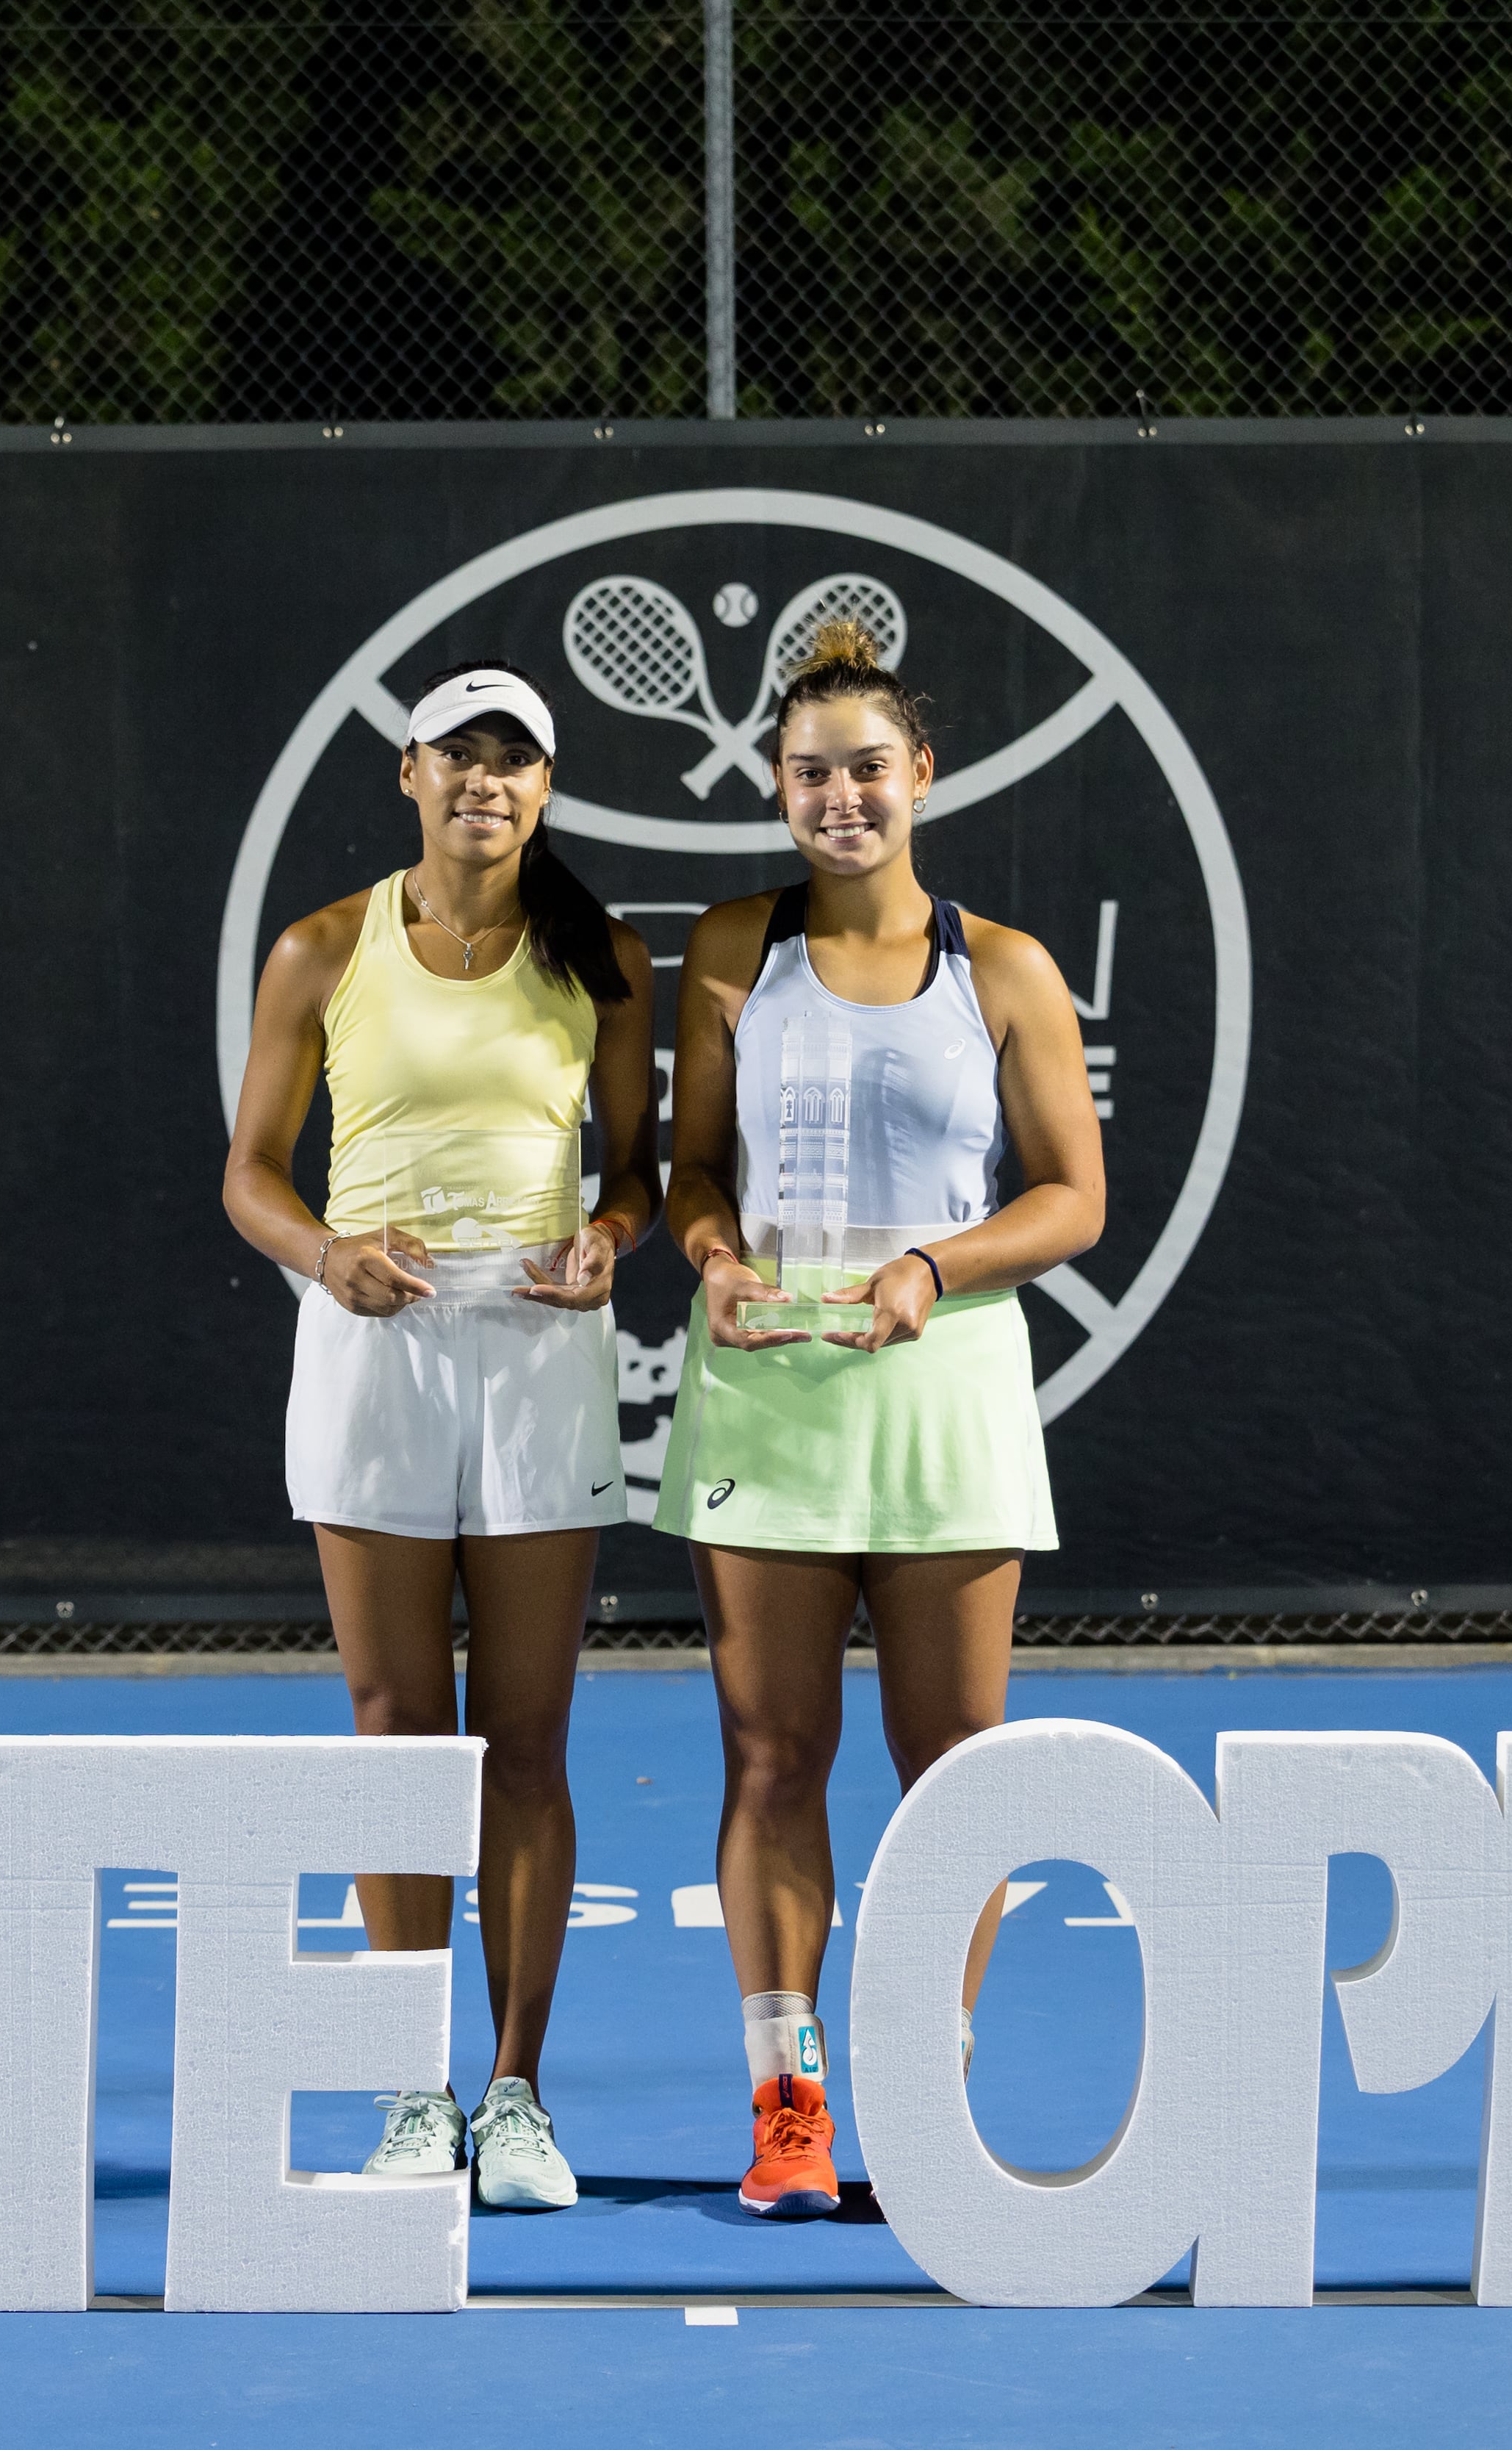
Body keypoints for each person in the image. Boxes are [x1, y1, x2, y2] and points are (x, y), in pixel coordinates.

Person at [653, 620, 1107, 2218]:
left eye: (866, 767)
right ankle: (790, 2109)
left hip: (944, 1386)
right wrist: (708, 1251)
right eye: (809, 772)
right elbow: (688, 1163)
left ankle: (923, 2082)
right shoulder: (727, 949)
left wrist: (930, 1261)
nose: (840, 795)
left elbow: (1072, 1195)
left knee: (954, 1768)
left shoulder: (1009, 969)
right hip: (766, 1383)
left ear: (920, 775)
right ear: (776, 791)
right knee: (772, 1752)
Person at [223, 660, 658, 2212]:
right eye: (457, 756)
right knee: (397, 1719)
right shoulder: (320, 945)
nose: (485, 780)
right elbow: (252, 1172)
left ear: (546, 789)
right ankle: (414, 2088)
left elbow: (639, 1170)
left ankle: (516, 2093)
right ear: (406, 774)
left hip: (539, 1341)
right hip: (370, 1333)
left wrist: (609, 1232)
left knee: (526, 1736)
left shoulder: (598, 953)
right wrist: (325, 1249)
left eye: (514, 759)